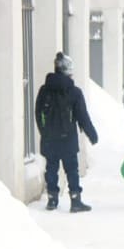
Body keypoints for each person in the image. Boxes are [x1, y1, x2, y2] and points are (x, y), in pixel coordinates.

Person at [35, 52, 98, 212]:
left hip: (49, 138)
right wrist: (92, 134)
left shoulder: (44, 89)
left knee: (51, 168)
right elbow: (82, 116)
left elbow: (37, 112)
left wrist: (44, 132)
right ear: (69, 71)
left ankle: (52, 199)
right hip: (68, 138)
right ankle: (75, 201)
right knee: (71, 169)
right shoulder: (74, 91)